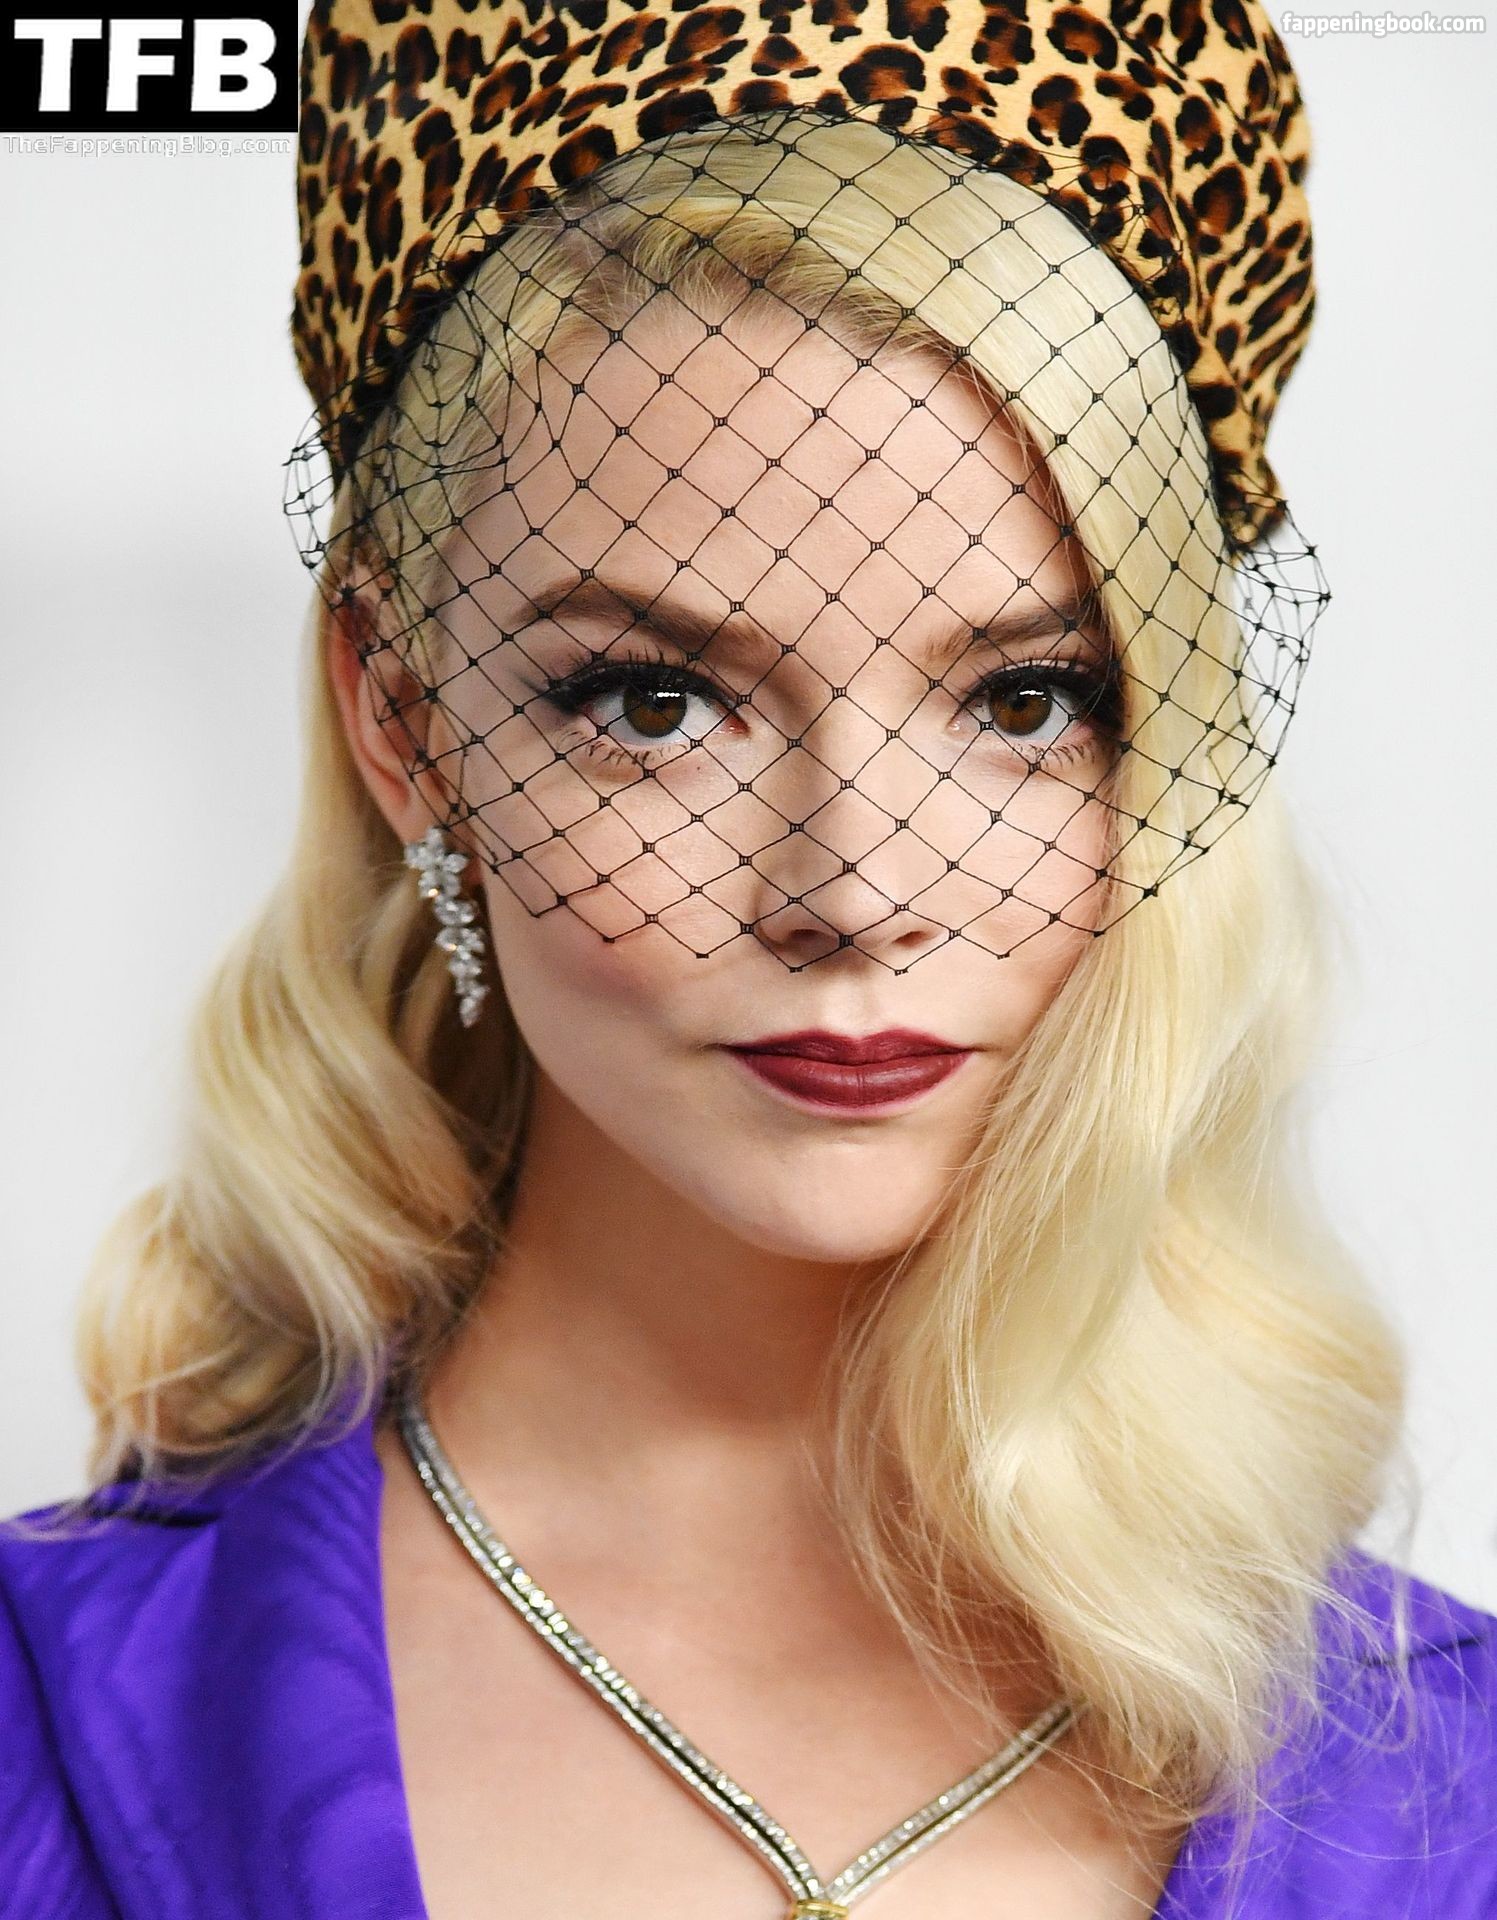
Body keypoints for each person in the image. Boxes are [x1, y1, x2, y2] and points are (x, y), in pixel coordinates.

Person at [2, 6, 1493, 1919]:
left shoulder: (1444, 1777)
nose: (853, 889)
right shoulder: (44, 1728)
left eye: (1023, 700)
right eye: (656, 701)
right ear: (404, 722)